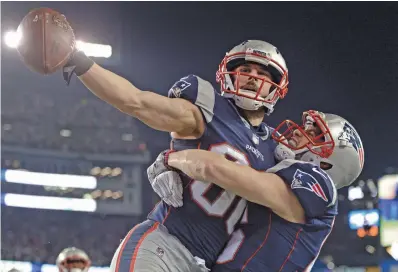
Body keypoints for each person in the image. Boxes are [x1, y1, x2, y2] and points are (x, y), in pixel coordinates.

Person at [57, 20, 289, 271]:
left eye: (262, 73)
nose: (252, 77)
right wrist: (78, 61)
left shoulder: (278, 149)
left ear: (276, 87)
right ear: (229, 75)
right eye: (245, 69)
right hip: (165, 248)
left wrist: (170, 159)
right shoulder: (208, 110)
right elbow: (136, 102)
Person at [148, 110, 364, 271]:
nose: (302, 132)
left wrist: (171, 158)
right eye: (308, 127)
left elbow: (221, 170)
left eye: (315, 135)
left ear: (328, 163)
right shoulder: (284, 173)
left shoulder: (318, 181)